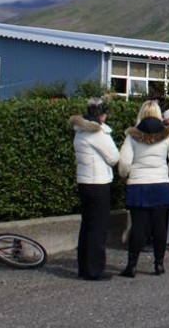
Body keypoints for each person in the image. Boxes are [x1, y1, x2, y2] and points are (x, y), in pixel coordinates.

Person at [118, 101, 169, 277]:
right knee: (159, 226)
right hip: (160, 183)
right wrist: (166, 172)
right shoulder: (167, 135)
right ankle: (159, 263)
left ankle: (132, 265)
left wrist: (126, 175)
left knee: (138, 226)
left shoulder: (132, 136)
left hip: (138, 183)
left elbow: (124, 162)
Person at [70, 97, 120, 281]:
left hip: (84, 181)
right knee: (98, 228)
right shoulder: (98, 133)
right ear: (101, 114)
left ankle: (84, 266)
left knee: (87, 225)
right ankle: (95, 268)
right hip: (98, 182)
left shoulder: (80, 131)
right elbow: (114, 157)